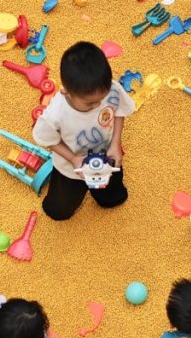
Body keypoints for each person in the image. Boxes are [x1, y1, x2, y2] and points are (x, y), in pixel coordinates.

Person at [32, 40, 135, 221]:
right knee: (59, 210)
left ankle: (109, 198)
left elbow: (119, 110)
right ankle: (60, 207)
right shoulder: (56, 114)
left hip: (107, 158)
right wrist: (73, 159)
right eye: (90, 103)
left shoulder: (112, 89)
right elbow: (46, 138)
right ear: (67, 93)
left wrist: (115, 144)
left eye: (101, 99)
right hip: (71, 170)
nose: (98, 106)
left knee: (112, 196)